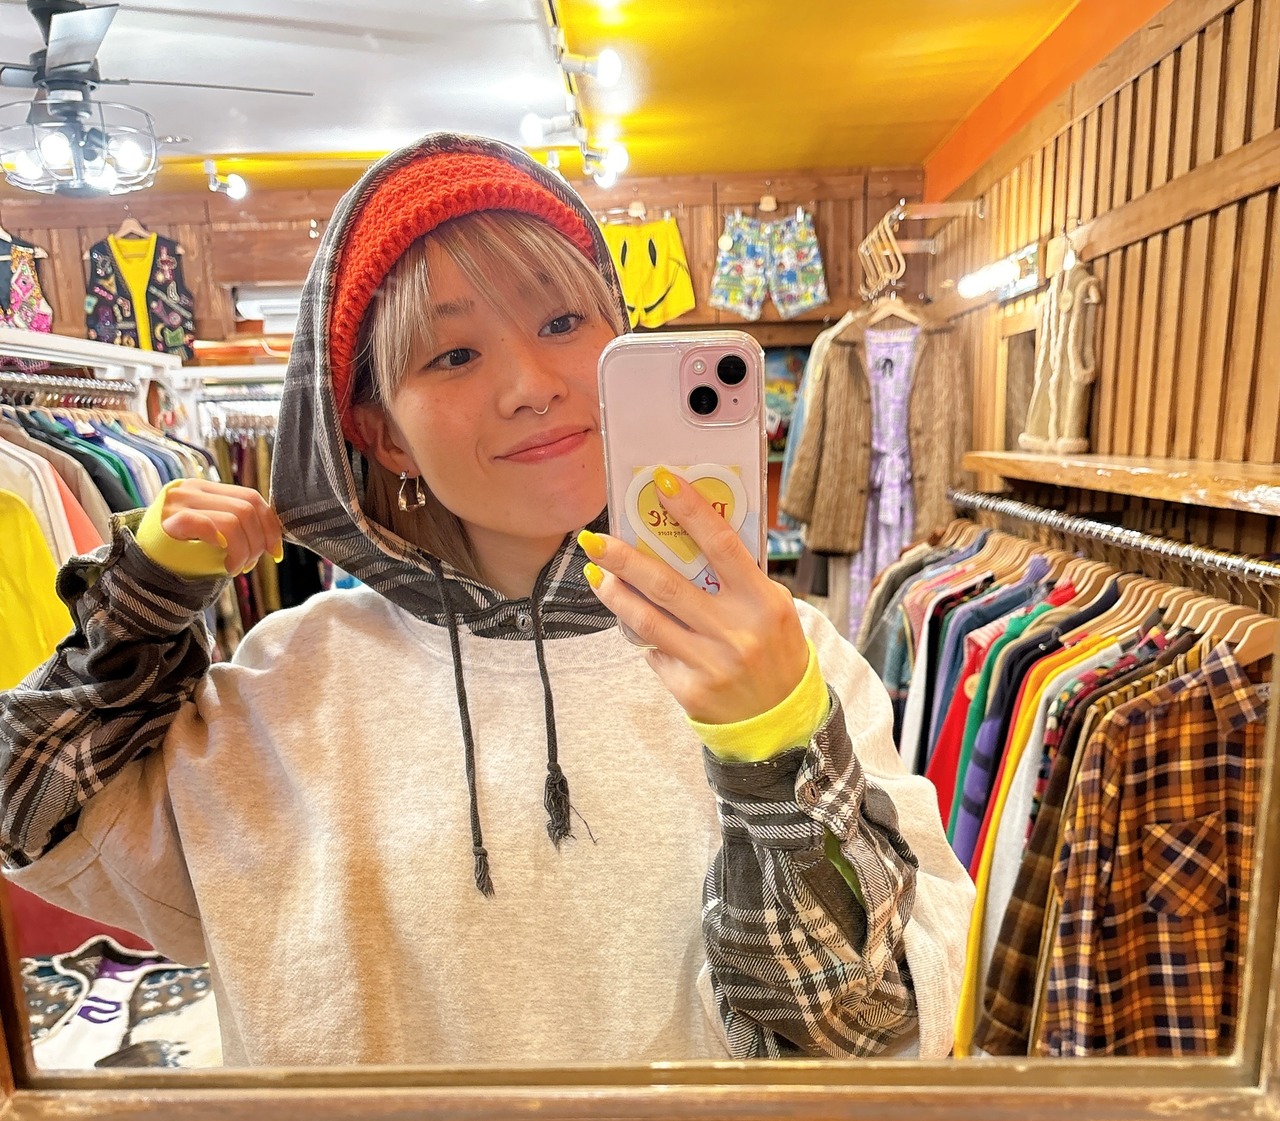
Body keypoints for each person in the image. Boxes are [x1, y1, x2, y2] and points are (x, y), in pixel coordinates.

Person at [0, 133, 973, 1068]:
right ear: (383, 434)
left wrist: (773, 746)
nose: (531, 386)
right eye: (452, 355)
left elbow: (869, 1038)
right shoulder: (283, 688)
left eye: (561, 323)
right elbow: (25, 816)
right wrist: (139, 608)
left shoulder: (787, 657)